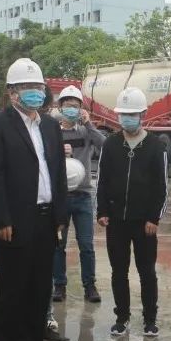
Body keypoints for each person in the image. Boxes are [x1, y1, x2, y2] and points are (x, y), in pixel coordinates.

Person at [0, 58, 68, 341]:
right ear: (12, 92)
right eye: (27, 87)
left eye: (38, 87)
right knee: (10, 287)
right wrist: (1, 218)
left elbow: (58, 173)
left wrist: (60, 216)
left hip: (46, 219)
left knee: (39, 286)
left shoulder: (49, 127)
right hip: (15, 220)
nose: (35, 92)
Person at [96, 87, 167, 337]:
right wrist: (102, 211)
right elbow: (102, 180)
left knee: (147, 272)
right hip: (116, 221)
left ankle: (150, 320)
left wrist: (154, 218)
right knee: (119, 272)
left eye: (132, 114)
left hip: (144, 222)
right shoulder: (111, 144)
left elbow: (162, 186)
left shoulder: (156, 146)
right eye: (124, 114)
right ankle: (122, 318)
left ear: (143, 114)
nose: (127, 118)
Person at [52, 84, 105, 303]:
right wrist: (58, 150)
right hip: (60, 198)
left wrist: (89, 123)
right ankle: (59, 285)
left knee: (86, 245)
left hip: (83, 196)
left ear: (81, 108)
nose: (72, 109)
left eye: (76, 105)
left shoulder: (86, 132)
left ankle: (89, 286)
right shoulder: (52, 132)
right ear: (60, 107)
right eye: (68, 105)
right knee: (58, 245)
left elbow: (104, 145)